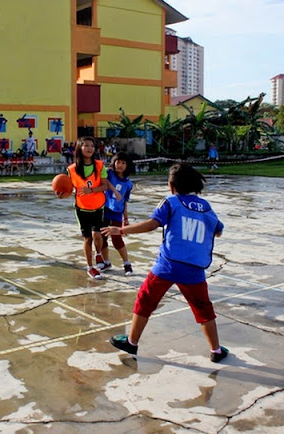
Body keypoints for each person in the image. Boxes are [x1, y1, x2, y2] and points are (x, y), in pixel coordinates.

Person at [101, 163, 228, 362]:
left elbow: (152, 224)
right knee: (204, 309)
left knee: (146, 300)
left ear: (171, 185)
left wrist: (122, 230)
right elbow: (218, 229)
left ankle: (132, 342)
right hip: (194, 270)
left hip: (168, 265)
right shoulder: (206, 207)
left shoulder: (170, 202)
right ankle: (216, 350)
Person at [59, 137, 109, 280]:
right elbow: (69, 190)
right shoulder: (71, 169)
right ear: (79, 148)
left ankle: (98, 254)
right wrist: (62, 195)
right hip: (82, 209)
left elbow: (105, 186)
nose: (89, 148)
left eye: (92, 146)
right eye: (86, 145)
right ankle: (90, 267)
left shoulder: (99, 165)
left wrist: (92, 190)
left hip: (98, 206)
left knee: (98, 236)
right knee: (87, 238)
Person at [98, 152, 134, 276]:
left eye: (123, 163)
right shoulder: (109, 173)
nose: (120, 165)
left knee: (117, 239)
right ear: (114, 162)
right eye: (118, 162)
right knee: (102, 238)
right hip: (105, 210)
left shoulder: (128, 184)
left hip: (117, 213)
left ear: (127, 165)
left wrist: (126, 218)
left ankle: (127, 263)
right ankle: (106, 262)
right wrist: (113, 190)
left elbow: (124, 201)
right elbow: (105, 182)